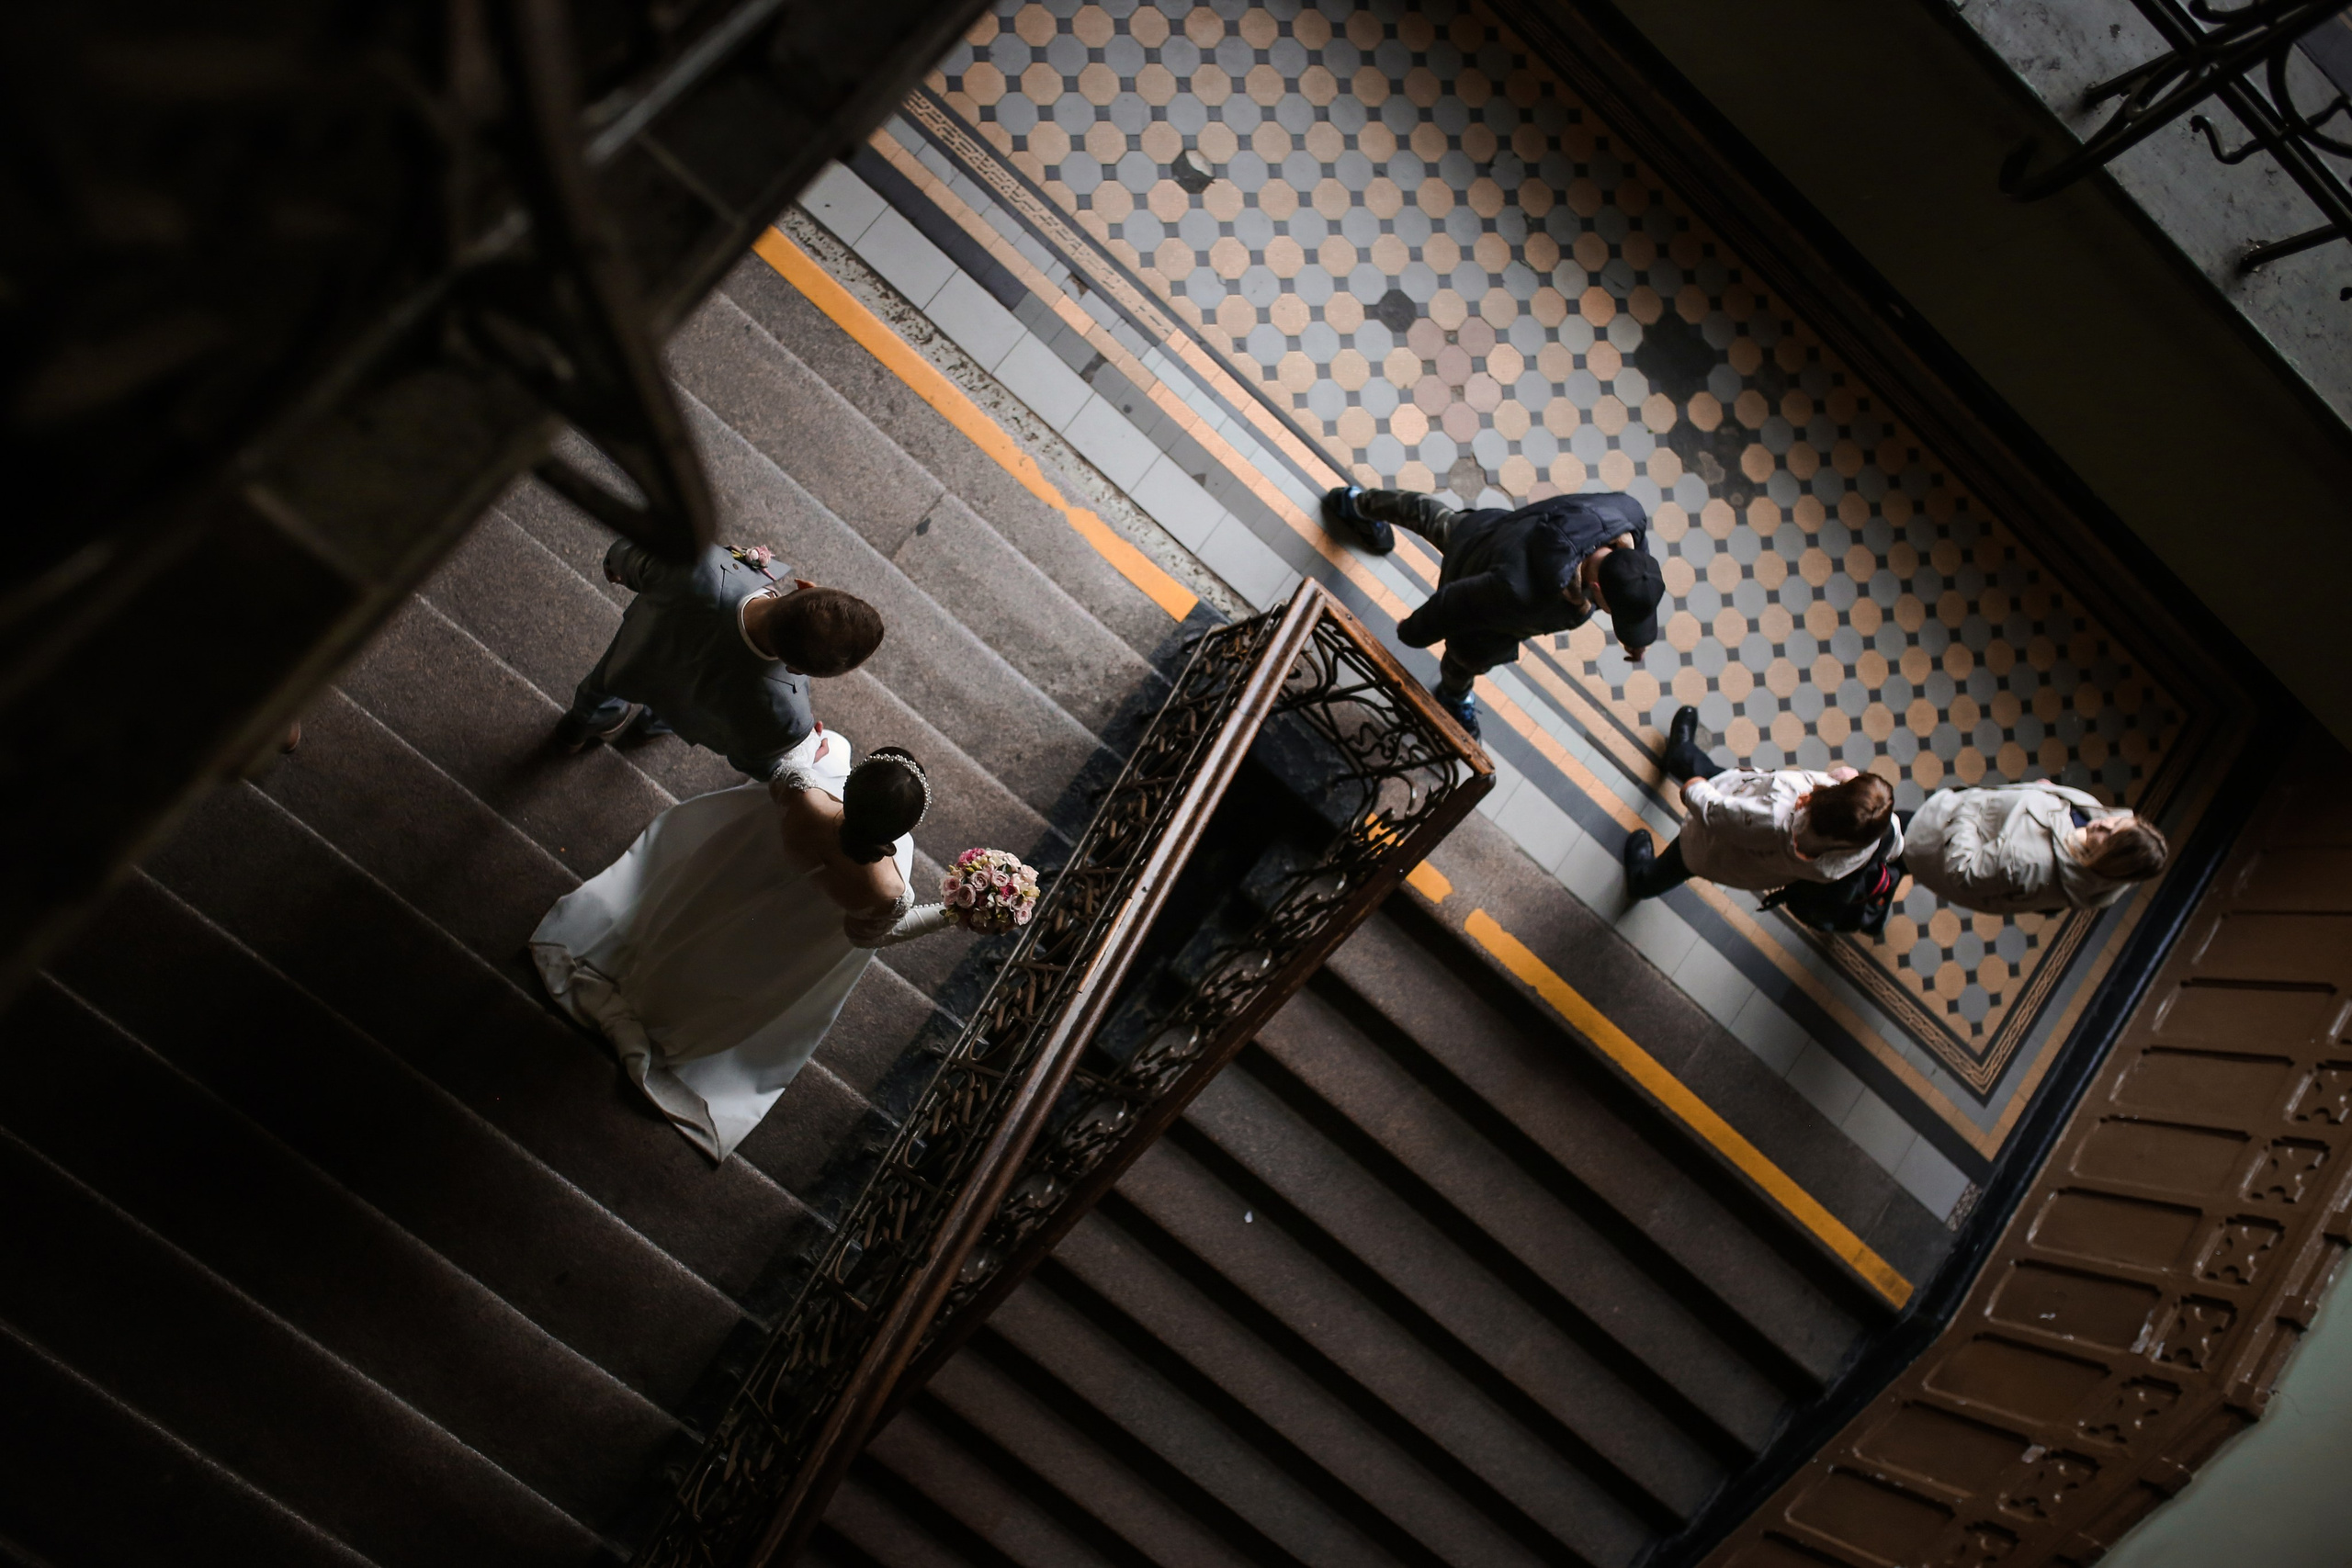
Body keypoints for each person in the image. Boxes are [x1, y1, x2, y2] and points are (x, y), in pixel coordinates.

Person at [530, 736, 954, 1161]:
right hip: (788, 938)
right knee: (729, 974)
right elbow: (868, 936)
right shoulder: (889, 891)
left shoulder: (805, 796)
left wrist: (814, 745)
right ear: (898, 833)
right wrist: (949, 913)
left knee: (692, 930)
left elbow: (788, 762)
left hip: (738, 882)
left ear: (851, 789)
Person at [1320, 483, 1663, 739]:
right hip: (1481, 596)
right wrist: (1413, 632)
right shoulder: (1521, 591)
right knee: (1463, 660)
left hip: (1490, 531)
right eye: (1613, 612)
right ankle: (1453, 698)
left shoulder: (1626, 514)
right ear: (1597, 588)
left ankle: (1356, 502)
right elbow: (1454, 603)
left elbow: (1634, 564)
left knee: (1431, 516)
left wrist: (1634, 633)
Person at [558, 538, 885, 780]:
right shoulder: (789, 714)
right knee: (681, 706)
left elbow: (629, 556)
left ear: (803, 586)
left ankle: (582, 726)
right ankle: (653, 725)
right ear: (798, 669)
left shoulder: (699, 565)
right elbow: (754, 762)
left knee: (603, 688)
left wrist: (617, 565)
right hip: (693, 711)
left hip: (634, 664)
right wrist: (803, 758)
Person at [1625, 743, 1899, 901]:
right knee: (1713, 772)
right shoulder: (1869, 836)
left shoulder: (1774, 817)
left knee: (1676, 864)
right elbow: (1892, 838)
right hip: (1747, 827)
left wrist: (1693, 789)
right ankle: (1680, 753)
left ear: (1829, 800)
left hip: (1710, 846)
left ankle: (1643, 881)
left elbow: (1713, 812)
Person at [1899, 782, 2167, 915]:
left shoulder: (2031, 864)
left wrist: (1968, 809)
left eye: (2108, 837)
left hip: (1935, 833)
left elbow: (1963, 871)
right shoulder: (2108, 853)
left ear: (2110, 860)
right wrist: (2048, 791)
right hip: (1959, 817)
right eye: (2117, 821)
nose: (2103, 824)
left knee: (1891, 833)